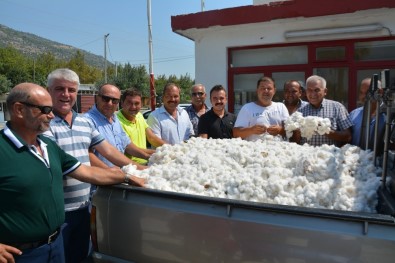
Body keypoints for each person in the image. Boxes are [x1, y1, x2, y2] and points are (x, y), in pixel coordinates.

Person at [0, 83, 141, 263]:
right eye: (44, 109)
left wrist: (129, 176)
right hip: (21, 254)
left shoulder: (47, 146)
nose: (51, 115)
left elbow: (86, 172)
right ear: (19, 109)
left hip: (55, 245)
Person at [44, 69, 145, 263]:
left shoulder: (84, 122)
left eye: (71, 90)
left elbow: (110, 152)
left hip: (85, 207)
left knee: (84, 256)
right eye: (59, 89)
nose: (66, 94)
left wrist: (145, 170)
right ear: (49, 91)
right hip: (59, 213)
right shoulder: (44, 124)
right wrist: (121, 176)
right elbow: (72, 168)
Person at [85, 84, 152, 168]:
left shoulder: (114, 119)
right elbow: (87, 154)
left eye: (114, 100)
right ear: (97, 97)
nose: (110, 103)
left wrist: (151, 157)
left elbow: (127, 145)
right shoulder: (87, 121)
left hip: (121, 174)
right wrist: (110, 172)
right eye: (105, 99)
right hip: (104, 177)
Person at [297, 75, 352, 147]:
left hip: (329, 156)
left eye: (317, 90)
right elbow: (295, 141)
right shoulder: (300, 112)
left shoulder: (337, 107)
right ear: (306, 91)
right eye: (309, 90)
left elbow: (348, 136)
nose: (313, 94)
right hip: (307, 156)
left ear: (325, 91)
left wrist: (326, 131)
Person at [117, 88, 165, 164]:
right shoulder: (117, 122)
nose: (133, 107)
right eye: (129, 103)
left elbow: (151, 137)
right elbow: (131, 149)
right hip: (130, 167)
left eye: (137, 103)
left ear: (141, 104)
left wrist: (169, 148)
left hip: (146, 163)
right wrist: (159, 152)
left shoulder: (139, 115)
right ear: (122, 103)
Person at [233, 76, 289, 141]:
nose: (266, 91)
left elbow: (290, 131)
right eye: (262, 88)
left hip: (278, 149)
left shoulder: (281, 107)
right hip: (254, 150)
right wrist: (251, 130)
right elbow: (235, 134)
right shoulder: (247, 108)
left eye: (269, 88)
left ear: (274, 91)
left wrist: (280, 130)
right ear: (257, 90)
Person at [349, 78, 386, 148]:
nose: (363, 96)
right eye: (361, 93)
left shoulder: (389, 116)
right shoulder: (353, 115)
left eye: (367, 93)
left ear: (380, 92)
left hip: (381, 158)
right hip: (356, 157)